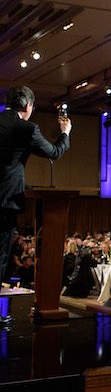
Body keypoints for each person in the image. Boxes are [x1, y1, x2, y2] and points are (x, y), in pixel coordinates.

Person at [0, 86, 71, 326]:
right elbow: (54, 152)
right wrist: (65, 133)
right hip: (5, 202)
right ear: (28, 106)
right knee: (0, 256)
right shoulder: (27, 129)